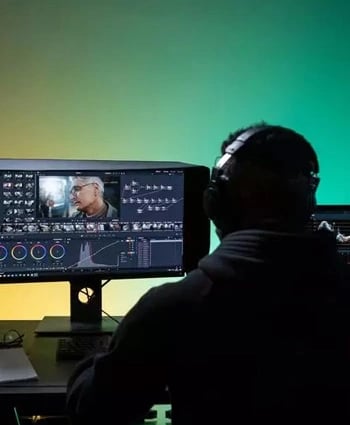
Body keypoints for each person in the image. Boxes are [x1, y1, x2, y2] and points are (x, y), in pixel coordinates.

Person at [66, 123, 350, 424]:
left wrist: (108, 354)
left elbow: (94, 412)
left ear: (215, 202)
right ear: (308, 204)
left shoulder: (172, 307)